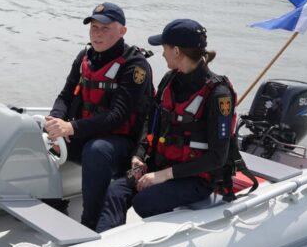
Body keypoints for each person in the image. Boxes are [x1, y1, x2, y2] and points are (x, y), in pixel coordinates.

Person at [95, 18, 248, 232]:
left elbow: (217, 157)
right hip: (160, 166)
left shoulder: (218, 94)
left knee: (144, 201)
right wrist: (139, 154)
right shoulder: (169, 80)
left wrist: (163, 176)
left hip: (195, 179)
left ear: (176, 51)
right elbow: (151, 119)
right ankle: (104, 245)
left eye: (164, 48)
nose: (162, 53)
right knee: (116, 191)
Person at [44, 2, 153, 230]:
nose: (97, 33)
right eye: (94, 27)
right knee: (38, 136)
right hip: (87, 131)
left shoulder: (135, 65)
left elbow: (117, 116)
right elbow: (65, 96)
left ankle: (90, 222)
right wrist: (54, 122)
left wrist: (70, 128)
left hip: (122, 144)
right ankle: (51, 201)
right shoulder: (85, 56)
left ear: (122, 31)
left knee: (96, 150)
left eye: (105, 28)